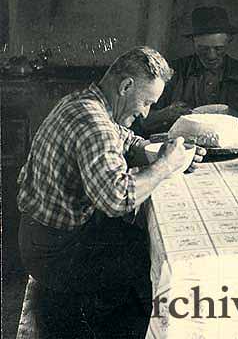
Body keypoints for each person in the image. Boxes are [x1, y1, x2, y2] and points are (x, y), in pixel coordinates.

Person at [17, 46, 206, 337]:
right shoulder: (94, 123)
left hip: (40, 234)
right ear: (125, 86)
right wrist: (166, 166)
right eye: (146, 102)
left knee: (139, 241)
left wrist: (160, 153)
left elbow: (127, 140)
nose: (146, 113)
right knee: (148, 263)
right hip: (54, 251)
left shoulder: (86, 103)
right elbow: (117, 199)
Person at [139, 6, 238, 134]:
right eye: (203, 49)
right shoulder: (172, 72)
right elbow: (141, 121)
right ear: (193, 41)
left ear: (229, 41)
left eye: (218, 48)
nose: (211, 56)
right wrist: (165, 114)